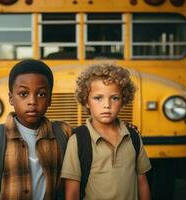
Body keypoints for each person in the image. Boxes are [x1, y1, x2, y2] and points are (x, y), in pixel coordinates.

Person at [0, 59, 72, 199]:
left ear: (50, 99)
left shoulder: (63, 133)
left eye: (41, 94)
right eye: (23, 94)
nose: (32, 102)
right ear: (11, 98)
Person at [61, 63, 151, 200]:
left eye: (114, 98)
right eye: (98, 98)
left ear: (123, 100)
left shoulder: (133, 137)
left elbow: (142, 182)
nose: (107, 105)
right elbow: (72, 191)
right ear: (86, 101)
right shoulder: (78, 140)